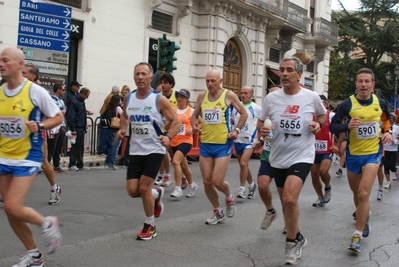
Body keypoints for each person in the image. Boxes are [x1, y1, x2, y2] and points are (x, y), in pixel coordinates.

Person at [258, 56, 326, 265]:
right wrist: (261, 130)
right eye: (282, 70)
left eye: (289, 70)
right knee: (287, 203)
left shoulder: (311, 96)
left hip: (302, 153)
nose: (284, 74)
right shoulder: (272, 99)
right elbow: (261, 121)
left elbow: (322, 116)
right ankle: (298, 235)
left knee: (288, 198)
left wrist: (318, 125)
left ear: (299, 75)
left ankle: (291, 243)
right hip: (278, 154)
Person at [0, 47, 63, 266]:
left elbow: (58, 117)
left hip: (27, 156)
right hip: (3, 156)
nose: (0, 64)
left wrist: (40, 125)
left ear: (19, 65)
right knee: (12, 213)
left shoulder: (35, 91)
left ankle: (48, 223)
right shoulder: (0, 91)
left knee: (12, 206)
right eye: (0, 60)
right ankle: (35, 256)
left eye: (5, 60)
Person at [330, 67, 392, 253]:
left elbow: (386, 120)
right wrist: (347, 126)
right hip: (353, 155)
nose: (363, 85)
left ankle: (357, 234)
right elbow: (333, 127)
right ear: (356, 84)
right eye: (360, 81)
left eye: (367, 81)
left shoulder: (379, 102)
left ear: (373, 84)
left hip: (373, 154)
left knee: (364, 194)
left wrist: (387, 132)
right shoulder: (347, 104)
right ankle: (363, 218)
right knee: (357, 194)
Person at [116, 62, 180, 240]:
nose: (140, 77)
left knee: (144, 187)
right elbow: (124, 116)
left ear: (151, 78)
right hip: (136, 150)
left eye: (144, 74)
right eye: (137, 74)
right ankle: (156, 193)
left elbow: (176, 121)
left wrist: (168, 137)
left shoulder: (158, 99)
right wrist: (122, 130)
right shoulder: (129, 97)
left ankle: (150, 225)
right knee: (132, 191)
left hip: (154, 149)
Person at [190, 69, 248, 225]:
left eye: (213, 81)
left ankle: (229, 196)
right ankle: (217, 211)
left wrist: (236, 130)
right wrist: (194, 124)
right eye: (207, 81)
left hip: (223, 143)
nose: (210, 84)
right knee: (207, 182)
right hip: (206, 143)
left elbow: (244, 113)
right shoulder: (202, 96)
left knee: (216, 181)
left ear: (220, 81)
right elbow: (194, 115)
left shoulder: (228, 95)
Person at [23, 64, 62, 205]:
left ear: (33, 76)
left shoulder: (39, 92)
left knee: (44, 164)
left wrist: (39, 125)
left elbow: (55, 115)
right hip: (17, 136)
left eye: (24, 73)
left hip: (36, 134)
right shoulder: (15, 89)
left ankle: (54, 188)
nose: (20, 75)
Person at [253, 84, 281, 231]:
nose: (271, 98)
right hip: (268, 154)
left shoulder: (288, 111)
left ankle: (291, 224)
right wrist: (260, 141)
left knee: (287, 196)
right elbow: (264, 131)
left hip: (285, 156)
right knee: (263, 185)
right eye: (269, 95)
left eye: (274, 94)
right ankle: (270, 211)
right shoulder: (266, 113)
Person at [165, 89, 198, 198]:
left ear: (187, 99)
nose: (179, 99)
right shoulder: (173, 110)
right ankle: (192, 184)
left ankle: (178, 188)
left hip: (186, 141)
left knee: (175, 162)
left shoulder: (191, 111)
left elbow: (200, 123)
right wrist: (170, 123)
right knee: (183, 165)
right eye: (178, 96)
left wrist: (193, 129)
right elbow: (167, 126)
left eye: (182, 97)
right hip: (174, 141)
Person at [232, 86, 260, 199]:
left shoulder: (257, 108)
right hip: (238, 140)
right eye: (241, 93)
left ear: (251, 95)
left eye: (246, 93)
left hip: (250, 141)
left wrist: (260, 138)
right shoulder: (236, 107)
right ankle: (252, 185)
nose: (243, 95)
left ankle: (242, 189)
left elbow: (263, 121)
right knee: (244, 166)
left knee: (243, 163)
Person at [310, 95, 336, 207]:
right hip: (312, 150)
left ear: (326, 104)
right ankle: (320, 197)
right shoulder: (310, 116)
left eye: (320, 103)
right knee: (314, 175)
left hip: (327, 149)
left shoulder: (331, 116)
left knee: (323, 171)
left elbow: (341, 130)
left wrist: (338, 144)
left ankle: (328, 186)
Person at [66, 87, 91, 171]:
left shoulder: (81, 102)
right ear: (82, 93)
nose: (87, 97)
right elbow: (71, 116)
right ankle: (72, 164)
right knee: (75, 147)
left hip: (81, 127)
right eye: (87, 95)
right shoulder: (74, 102)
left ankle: (80, 163)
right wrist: (72, 128)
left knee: (80, 147)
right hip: (76, 127)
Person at [159, 73, 177, 187]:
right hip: (162, 128)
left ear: (171, 84)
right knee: (163, 151)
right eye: (161, 83)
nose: (162, 85)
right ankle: (167, 175)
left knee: (175, 156)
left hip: (175, 130)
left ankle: (184, 176)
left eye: (165, 83)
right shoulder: (159, 97)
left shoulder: (177, 96)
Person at [47, 83, 68, 174]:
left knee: (58, 148)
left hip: (61, 125)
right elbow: (52, 111)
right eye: (63, 89)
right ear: (58, 90)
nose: (64, 91)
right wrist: (61, 111)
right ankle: (46, 164)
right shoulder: (51, 99)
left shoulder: (61, 101)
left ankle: (56, 165)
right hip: (54, 127)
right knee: (51, 147)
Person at [97, 85, 121, 156]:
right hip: (107, 117)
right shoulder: (111, 97)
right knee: (105, 135)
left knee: (107, 135)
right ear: (116, 91)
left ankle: (105, 150)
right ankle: (102, 150)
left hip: (105, 115)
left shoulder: (109, 96)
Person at [104, 95, 123, 170]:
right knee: (116, 146)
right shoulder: (118, 108)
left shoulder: (109, 107)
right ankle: (112, 162)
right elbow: (124, 115)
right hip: (116, 128)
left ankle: (108, 160)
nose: (121, 101)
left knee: (113, 145)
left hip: (111, 128)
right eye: (120, 100)